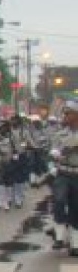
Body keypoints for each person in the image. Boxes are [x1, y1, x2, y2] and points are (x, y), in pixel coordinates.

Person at [50, 101, 78, 255]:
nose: (65, 116)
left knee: (76, 207)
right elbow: (53, 149)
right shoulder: (60, 133)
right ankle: (59, 236)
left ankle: (75, 244)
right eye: (65, 113)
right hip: (63, 172)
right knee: (59, 200)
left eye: (69, 113)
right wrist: (54, 153)